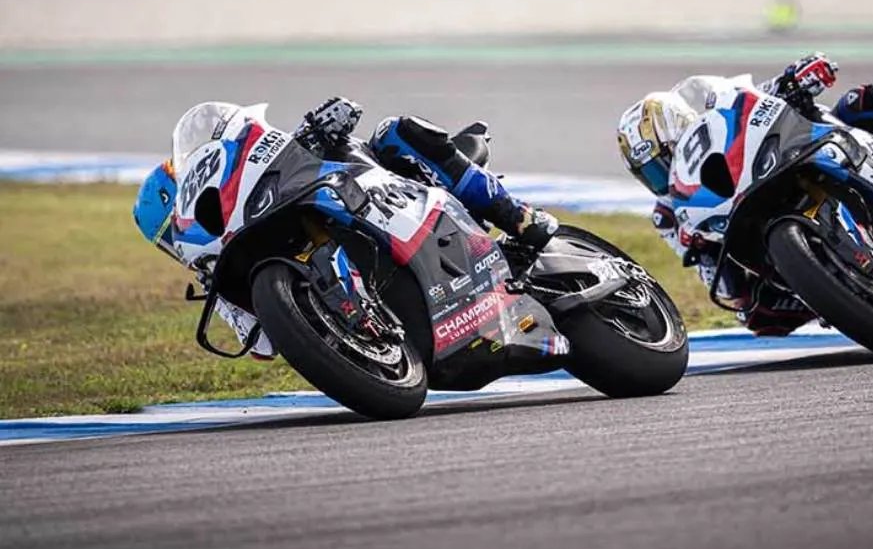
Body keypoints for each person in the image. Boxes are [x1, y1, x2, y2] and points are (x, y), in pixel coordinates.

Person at [616, 53, 873, 337]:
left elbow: (764, 95)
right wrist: (713, 262)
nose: (663, 171)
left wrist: (799, 75)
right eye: (650, 170)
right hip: (761, 240)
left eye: (664, 156)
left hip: (823, 152)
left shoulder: (722, 113)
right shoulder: (669, 214)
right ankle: (848, 286)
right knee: (754, 313)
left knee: (869, 102)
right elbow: (711, 277)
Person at [132, 97, 558, 359]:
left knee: (394, 132)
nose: (178, 242)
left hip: (374, 185)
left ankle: (516, 216)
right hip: (394, 329)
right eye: (168, 241)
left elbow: (307, 140)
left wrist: (319, 127)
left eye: (174, 229)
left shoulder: (246, 174)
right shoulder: (221, 281)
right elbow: (264, 349)